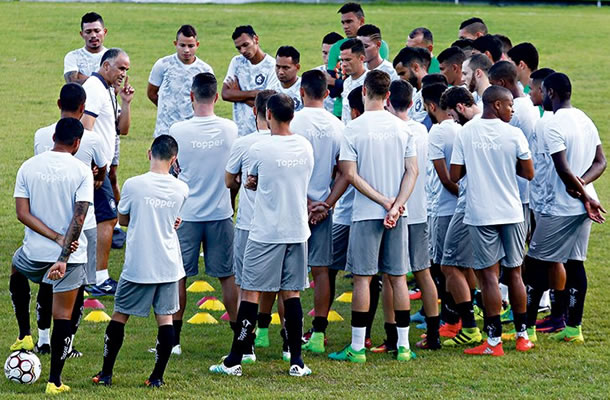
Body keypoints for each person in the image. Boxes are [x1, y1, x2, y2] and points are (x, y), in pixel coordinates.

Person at [210, 94, 314, 377]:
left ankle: (235, 360)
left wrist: (253, 181)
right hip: (297, 230)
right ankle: (297, 360)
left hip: (265, 231)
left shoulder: (259, 147)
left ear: (268, 114)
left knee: (251, 292)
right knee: (291, 293)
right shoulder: (305, 145)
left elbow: (249, 183)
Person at [328, 70, 418, 363]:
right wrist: (396, 205)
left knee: (363, 280)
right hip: (397, 214)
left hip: (366, 213)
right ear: (388, 95)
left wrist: (382, 201)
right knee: (398, 278)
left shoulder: (353, 129)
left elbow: (350, 174)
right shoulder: (404, 128)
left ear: (364, 91)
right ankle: (403, 346)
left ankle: (357, 347)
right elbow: (412, 171)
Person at [92, 135, 189, 388]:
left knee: (119, 316)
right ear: (174, 159)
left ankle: (105, 374)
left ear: (149, 154)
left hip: (138, 265)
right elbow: (172, 220)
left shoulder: (134, 185)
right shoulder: (182, 188)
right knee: (165, 319)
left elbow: (122, 220)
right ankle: (156, 377)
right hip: (168, 265)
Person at [450, 85, 535, 356]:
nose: (512, 110)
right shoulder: (514, 134)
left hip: (480, 212)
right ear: (496, 105)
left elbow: (454, 175)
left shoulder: (466, 132)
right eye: (509, 105)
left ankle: (494, 342)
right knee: (515, 273)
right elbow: (529, 173)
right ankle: (522, 336)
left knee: (488, 277)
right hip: (511, 211)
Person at [12, 118, 93, 394]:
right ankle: (54, 382)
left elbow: (22, 213)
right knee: (62, 317)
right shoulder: (82, 171)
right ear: (77, 143)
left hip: (33, 254)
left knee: (15, 266)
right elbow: (79, 217)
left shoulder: (28, 166)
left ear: (53, 137)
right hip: (66, 260)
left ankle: (24, 334)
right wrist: (62, 252)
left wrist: (51, 237)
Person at [524, 73, 606, 344]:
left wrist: (580, 190)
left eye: (542, 91)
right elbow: (600, 162)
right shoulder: (584, 118)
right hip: (582, 206)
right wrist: (586, 190)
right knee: (574, 263)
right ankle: (574, 330)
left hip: (557, 207)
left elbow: (562, 168)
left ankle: (528, 330)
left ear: (551, 93)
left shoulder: (551, 124)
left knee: (535, 266)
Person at [33, 83, 108, 358]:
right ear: (83, 106)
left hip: (47, 223)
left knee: (46, 282)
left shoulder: (42, 135)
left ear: (58, 103)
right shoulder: (93, 139)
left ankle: (42, 340)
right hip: (82, 226)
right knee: (76, 286)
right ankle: (67, 344)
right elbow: (103, 170)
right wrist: (98, 176)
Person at [169, 72, 238, 355]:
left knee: (179, 276)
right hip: (221, 213)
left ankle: (173, 342)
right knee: (228, 276)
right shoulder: (230, 129)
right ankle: (239, 338)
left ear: (191, 96)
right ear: (217, 97)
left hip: (186, 215)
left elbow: (172, 171)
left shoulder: (178, 131)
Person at [291, 70, 346, 354]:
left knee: (289, 274)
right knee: (322, 271)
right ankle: (318, 333)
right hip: (324, 207)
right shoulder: (338, 125)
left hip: (295, 207)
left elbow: (288, 168)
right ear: (327, 94)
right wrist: (327, 204)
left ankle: (290, 333)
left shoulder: (293, 123)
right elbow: (344, 171)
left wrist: (305, 204)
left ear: (301, 92)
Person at [386, 79, 441, 350]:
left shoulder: (390, 131)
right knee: (423, 272)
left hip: (394, 210)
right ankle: (433, 335)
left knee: (390, 276)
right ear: (411, 102)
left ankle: (392, 337)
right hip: (420, 209)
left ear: (386, 101)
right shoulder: (421, 130)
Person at [226, 90, 276, 356]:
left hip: (249, 223)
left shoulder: (244, 144)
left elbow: (228, 181)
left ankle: (246, 347)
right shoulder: (292, 142)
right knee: (286, 289)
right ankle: (291, 352)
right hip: (282, 225)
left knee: (246, 287)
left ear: (253, 111)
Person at [81, 48, 135, 296]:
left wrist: (124, 102)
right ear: (106, 66)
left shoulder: (107, 91)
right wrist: (95, 166)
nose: (124, 73)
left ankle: (88, 274)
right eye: (121, 68)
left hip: (104, 166)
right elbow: (86, 128)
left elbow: (121, 130)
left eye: (126, 69)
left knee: (99, 218)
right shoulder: (94, 88)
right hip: (95, 166)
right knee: (107, 218)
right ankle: (98, 278)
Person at [438, 86, 484, 347]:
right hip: (502, 205)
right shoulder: (501, 127)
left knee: (448, 265)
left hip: (469, 204)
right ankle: (489, 323)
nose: (454, 122)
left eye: (454, 117)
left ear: (460, 108)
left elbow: (454, 176)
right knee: (480, 268)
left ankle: (469, 327)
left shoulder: (466, 132)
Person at [423, 82, 464, 339]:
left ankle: (452, 321)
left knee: (445, 267)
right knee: (462, 267)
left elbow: (446, 179)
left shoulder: (438, 132)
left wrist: (463, 195)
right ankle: (459, 320)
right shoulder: (463, 129)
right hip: (461, 208)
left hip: (445, 209)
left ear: (431, 106)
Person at [489, 61, 540, 241]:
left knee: (515, 247)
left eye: (492, 84)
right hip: (524, 187)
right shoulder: (527, 103)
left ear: (501, 84)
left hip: (516, 188)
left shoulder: (512, 111)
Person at [147, 24, 214, 138]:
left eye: (191, 46)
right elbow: (151, 93)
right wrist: (167, 109)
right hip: (165, 130)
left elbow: (208, 100)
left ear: (197, 45)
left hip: (192, 131)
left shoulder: (205, 70)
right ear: (175, 44)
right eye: (182, 45)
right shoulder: (163, 65)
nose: (186, 50)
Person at [326, 2, 389, 118]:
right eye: (343, 22)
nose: (345, 26)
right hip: (341, 111)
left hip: (369, 111)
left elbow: (376, 82)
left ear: (361, 21)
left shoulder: (379, 46)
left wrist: (336, 82)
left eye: (349, 21)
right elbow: (333, 91)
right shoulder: (336, 48)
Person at [222, 25, 278, 136]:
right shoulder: (237, 62)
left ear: (256, 39)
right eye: (238, 48)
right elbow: (225, 94)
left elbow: (265, 106)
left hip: (263, 132)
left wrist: (238, 93)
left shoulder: (272, 66)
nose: (243, 51)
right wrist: (254, 93)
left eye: (245, 45)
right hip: (240, 132)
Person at [64, 12, 108, 84]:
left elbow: (115, 86)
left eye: (97, 31)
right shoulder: (72, 56)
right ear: (82, 34)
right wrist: (103, 80)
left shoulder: (113, 56)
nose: (93, 35)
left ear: (104, 32)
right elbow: (72, 82)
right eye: (88, 32)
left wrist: (80, 76)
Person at [393, 46, 431, 124]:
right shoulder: (412, 93)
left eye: (403, 73)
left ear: (416, 67)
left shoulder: (432, 92)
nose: (401, 79)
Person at [340, 39, 368, 124]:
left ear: (362, 58)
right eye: (342, 60)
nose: (343, 64)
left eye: (348, 60)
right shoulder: (346, 82)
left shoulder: (371, 82)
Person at [316, 32, 343, 113]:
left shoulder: (352, 74)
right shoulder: (314, 75)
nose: (328, 58)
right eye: (325, 53)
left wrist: (333, 82)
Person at [272, 46, 303, 111]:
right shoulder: (272, 90)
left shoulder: (305, 90)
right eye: (278, 67)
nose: (280, 72)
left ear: (297, 67)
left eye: (285, 68)